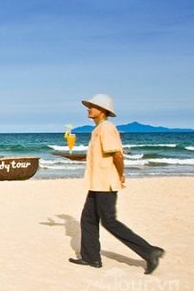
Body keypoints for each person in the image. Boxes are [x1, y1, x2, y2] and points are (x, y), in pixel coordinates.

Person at [69, 94, 165, 274]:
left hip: (106, 183)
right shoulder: (98, 130)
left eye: (92, 106)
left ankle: (150, 252)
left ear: (103, 110)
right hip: (97, 183)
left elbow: (118, 155)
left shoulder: (106, 128)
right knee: (88, 219)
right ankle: (92, 258)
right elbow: (100, 155)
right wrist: (75, 157)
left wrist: (120, 175)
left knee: (110, 222)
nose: (88, 109)